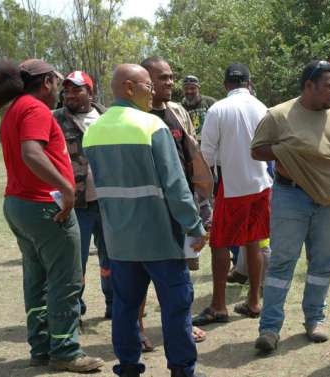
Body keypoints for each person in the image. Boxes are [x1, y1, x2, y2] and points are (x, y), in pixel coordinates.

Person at [82, 64, 207, 377]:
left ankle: (127, 367)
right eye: (147, 85)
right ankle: (181, 369)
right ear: (128, 87)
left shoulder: (93, 130)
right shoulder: (151, 126)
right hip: (160, 238)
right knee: (176, 307)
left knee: (125, 308)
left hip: (119, 241)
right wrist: (194, 225)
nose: (153, 90)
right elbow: (176, 188)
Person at [0, 58, 103, 372]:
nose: (59, 88)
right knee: (64, 281)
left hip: (19, 204)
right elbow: (32, 152)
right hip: (45, 206)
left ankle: (41, 349)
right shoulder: (35, 108)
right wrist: (66, 188)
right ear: (47, 82)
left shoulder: (15, 108)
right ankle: (65, 351)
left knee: (36, 280)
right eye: (56, 80)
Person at [251, 60, 330, 352]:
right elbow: (257, 150)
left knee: (323, 261)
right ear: (308, 86)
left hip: (328, 200)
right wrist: (285, 152)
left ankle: (315, 319)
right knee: (282, 262)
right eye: (328, 86)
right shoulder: (279, 115)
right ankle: (270, 328)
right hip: (290, 196)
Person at [139, 56, 209, 348]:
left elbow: (191, 154)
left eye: (170, 77)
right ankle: (138, 328)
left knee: (182, 270)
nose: (169, 82)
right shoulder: (138, 117)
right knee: (140, 272)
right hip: (147, 210)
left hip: (179, 205)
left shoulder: (177, 112)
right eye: (162, 78)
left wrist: (201, 202)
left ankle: (183, 324)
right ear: (145, 81)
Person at [194, 63, 272, 325]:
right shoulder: (262, 108)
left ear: (226, 84)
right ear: (249, 83)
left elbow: (206, 154)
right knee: (254, 240)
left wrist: (205, 190)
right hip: (261, 184)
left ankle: (218, 305)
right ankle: (253, 301)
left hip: (233, 186)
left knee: (219, 243)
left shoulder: (218, 109)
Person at [53, 71, 112, 319]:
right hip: (75, 203)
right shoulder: (54, 119)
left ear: (90, 91)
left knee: (112, 258)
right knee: (75, 262)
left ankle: (115, 303)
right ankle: (75, 310)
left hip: (109, 201)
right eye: (67, 90)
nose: (70, 94)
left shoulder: (108, 118)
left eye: (77, 89)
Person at [181, 75, 217, 141]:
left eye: (192, 88)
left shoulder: (210, 102)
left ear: (198, 88)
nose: (189, 91)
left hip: (209, 143)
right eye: (186, 88)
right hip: (191, 145)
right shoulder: (180, 108)